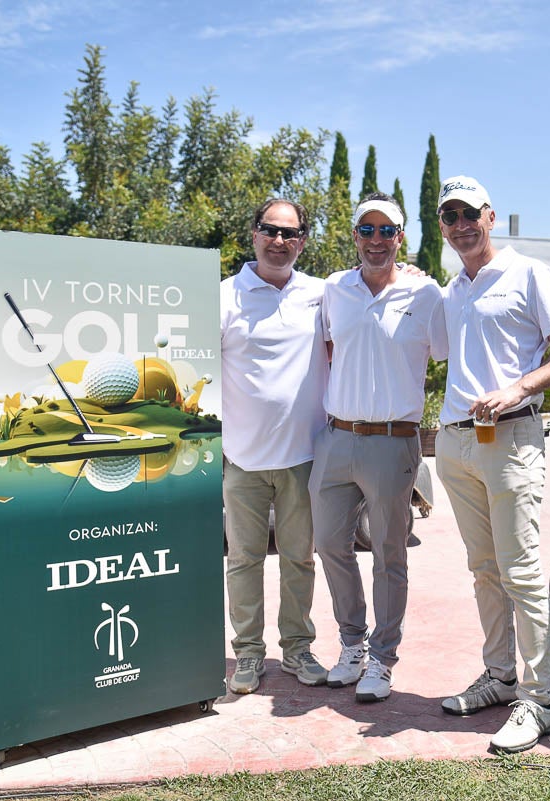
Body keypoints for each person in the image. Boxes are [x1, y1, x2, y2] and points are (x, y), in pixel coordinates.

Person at [434, 175, 550, 753]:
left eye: (470, 214)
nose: (462, 225)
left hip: (512, 437)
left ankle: (538, 701)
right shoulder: (452, 290)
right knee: (483, 569)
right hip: (456, 442)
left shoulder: (529, 272)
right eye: (450, 217)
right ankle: (499, 678)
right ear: (443, 227)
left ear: (490, 216)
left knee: (520, 572)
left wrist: (518, 388)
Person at [310, 193, 447, 702]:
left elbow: (448, 352)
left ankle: (383, 660)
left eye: (386, 230)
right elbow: (329, 348)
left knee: (389, 555)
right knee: (329, 544)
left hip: (393, 441)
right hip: (337, 437)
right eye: (366, 230)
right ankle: (352, 645)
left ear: (400, 238)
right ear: (355, 236)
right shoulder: (334, 289)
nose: (376, 240)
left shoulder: (425, 293)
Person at [219, 198, 329, 694]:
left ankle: (297, 649)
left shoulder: (322, 294)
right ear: (254, 234)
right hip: (241, 458)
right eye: (270, 230)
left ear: (302, 240)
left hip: (304, 457)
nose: (278, 241)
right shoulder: (224, 297)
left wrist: (408, 273)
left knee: (299, 559)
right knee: (243, 560)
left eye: (289, 233)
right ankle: (247, 653)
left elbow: (374, 289)